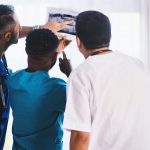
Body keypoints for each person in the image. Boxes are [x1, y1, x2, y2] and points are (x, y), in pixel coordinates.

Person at [63, 11, 150, 150]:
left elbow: (81, 135)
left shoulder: (80, 75)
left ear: (78, 41)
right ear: (110, 36)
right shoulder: (138, 65)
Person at [0, 4, 72, 150]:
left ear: (26, 51)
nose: (20, 29)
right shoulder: (58, 89)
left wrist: (50, 48)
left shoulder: (12, 81)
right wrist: (70, 73)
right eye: (18, 26)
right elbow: (84, 103)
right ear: (7, 36)